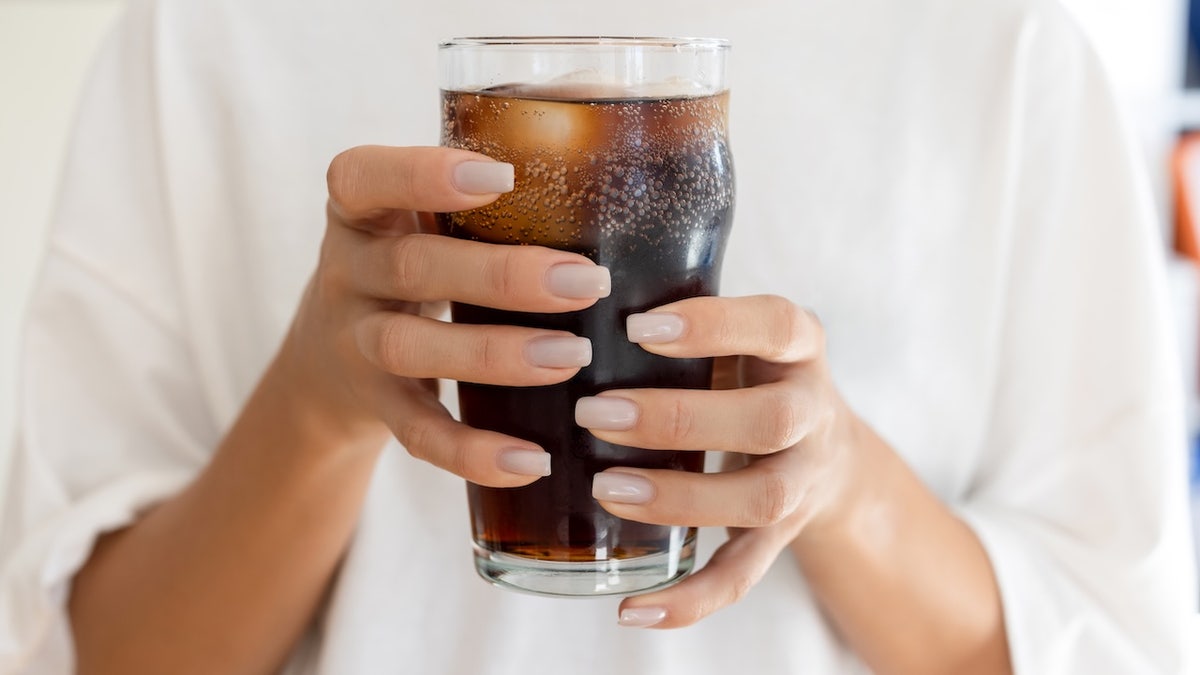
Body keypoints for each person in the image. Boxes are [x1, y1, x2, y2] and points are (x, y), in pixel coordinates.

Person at [1, 0, 1196, 672]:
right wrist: (316, 407)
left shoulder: (1004, 44)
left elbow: (1112, 645)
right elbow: (106, 658)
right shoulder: (201, 32)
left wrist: (842, 488)